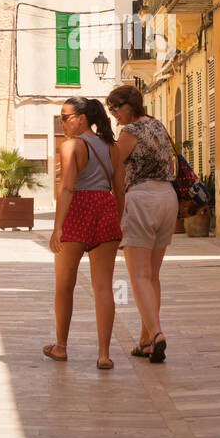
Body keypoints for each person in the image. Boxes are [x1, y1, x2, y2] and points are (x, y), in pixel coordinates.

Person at [44, 97, 123, 370]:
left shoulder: (71, 146)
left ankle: (61, 347)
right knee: (103, 287)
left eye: (65, 117)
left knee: (64, 284)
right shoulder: (111, 147)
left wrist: (57, 227)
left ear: (81, 118)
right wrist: (118, 221)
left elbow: (67, 188)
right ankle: (104, 355)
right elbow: (120, 189)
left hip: (77, 210)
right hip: (105, 208)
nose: (61, 122)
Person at [106, 84, 178, 363]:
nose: (113, 114)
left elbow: (112, 163)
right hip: (167, 199)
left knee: (138, 277)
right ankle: (146, 340)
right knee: (152, 276)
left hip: (142, 199)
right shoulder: (158, 126)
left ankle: (157, 333)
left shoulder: (130, 132)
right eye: (110, 108)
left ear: (130, 106)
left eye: (116, 107)